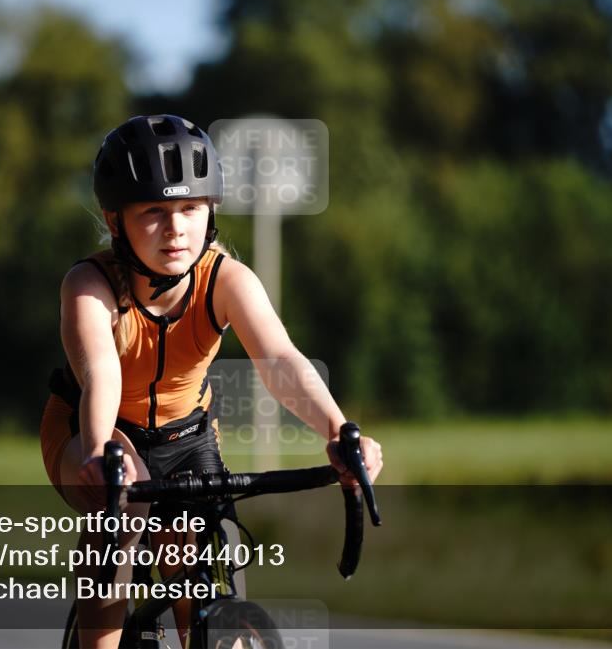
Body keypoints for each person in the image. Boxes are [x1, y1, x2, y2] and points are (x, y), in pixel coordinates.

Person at [39, 114, 383, 649]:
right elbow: (102, 372)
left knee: (210, 580)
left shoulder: (225, 278)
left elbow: (280, 361)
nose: (176, 229)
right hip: (94, 431)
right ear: (114, 219)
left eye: (190, 209)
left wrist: (339, 431)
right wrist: (101, 449)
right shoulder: (89, 285)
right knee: (122, 513)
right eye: (154, 211)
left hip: (189, 435)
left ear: (211, 212)